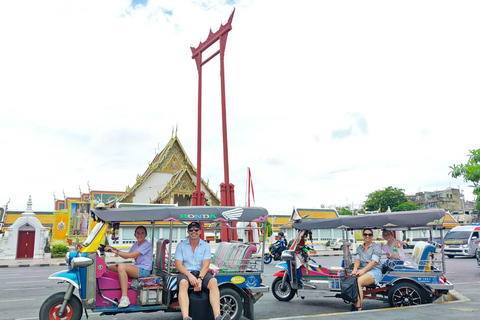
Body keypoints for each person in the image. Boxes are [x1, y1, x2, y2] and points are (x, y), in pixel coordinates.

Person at [174, 222, 230, 320]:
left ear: (200, 231)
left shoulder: (205, 245)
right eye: (191, 230)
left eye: (196, 230)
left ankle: (218, 316)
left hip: (201, 272)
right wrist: (190, 276)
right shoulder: (181, 245)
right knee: (183, 283)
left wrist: (200, 278)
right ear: (188, 232)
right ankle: (186, 317)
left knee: (213, 282)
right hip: (186, 272)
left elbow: (206, 265)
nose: (193, 232)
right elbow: (178, 265)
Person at [105, 225, 153, 308]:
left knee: (121, 267)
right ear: (134, 235)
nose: (140, 235)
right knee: (109, 267)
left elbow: (130, 255)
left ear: (146, 235)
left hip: (144, 270)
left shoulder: (146, 245)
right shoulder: (136, 244)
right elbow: (125, 255)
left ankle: (124, 298)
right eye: (138, 233)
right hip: (138, 268)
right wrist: (112, 248)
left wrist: (115, 251)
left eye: (142, 233)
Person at [350, 228, 382, 311]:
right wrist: (355, 269)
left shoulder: (376, 247)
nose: (367, 236)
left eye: (369, 234)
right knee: (352, 280)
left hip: (375, 270)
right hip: (363, 269)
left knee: (358, 282)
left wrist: (362, 271)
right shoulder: (360, 248)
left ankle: (358, 307)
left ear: (372, 236)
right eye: (365, 234)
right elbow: (357, 260)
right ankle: (354, 302)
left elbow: (374, 261)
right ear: (363, 236)